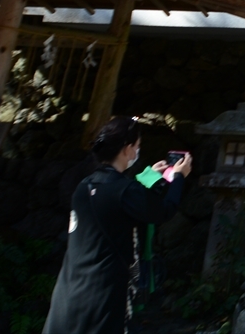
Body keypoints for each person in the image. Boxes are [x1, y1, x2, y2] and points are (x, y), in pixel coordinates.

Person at [41, 117, 193, 334]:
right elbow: (163, 210)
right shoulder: (125, 190)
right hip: (104, 292)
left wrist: (152, 176)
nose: (137, 151)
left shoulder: (84, 186)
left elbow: (124, 205)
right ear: (127, 149)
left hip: (70, 288)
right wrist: (178, 178)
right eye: (137, 146)